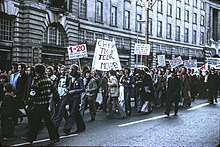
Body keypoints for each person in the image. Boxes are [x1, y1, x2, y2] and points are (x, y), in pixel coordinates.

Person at [21, 64, 59, 145]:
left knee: (35, 122)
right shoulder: (48, 80)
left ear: (36, 71)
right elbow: (54, 91)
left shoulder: (37, 80)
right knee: (48, 122)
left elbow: (33, 93)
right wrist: (56, 100)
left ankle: (31, 138)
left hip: (38, 104)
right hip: (45, 104)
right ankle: (54, 137)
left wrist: (28, 102)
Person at [63, 64, 86, 135]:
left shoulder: (80, 79)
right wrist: (66, 89)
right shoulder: (70, 78)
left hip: (76, 98)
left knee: (73, 113)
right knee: (76, 113)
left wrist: (74, 91)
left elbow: (83, 89)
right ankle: (81, 126)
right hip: (70, 98)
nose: (69, 70)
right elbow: (69, 86)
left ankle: (67, 128)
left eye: (71, 69)